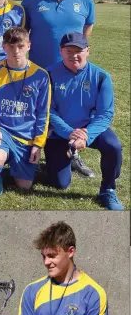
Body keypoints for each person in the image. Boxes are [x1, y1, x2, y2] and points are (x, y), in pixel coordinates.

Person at [23, 0, 96, 178]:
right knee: (36, 115)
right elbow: (24, 36)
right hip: (40, 72)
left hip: (70, 72)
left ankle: (72, 153)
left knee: (68, 114)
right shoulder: (31, 1)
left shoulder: (85, 0)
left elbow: (86, 31)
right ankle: (29, 155)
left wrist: (74, 58)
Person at [45, 32, 124, 210]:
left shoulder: (101, 77)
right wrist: (68, 132)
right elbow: (48, 110)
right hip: (59, 132)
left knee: (113, 146)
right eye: (68, 50)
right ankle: (62, 161)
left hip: (89, 129)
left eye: (79, 50)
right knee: (59, 183)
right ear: (61, 51)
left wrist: (86, 136)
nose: (74, 55)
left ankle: (108, 189)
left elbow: (105, 114)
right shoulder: (48, 74)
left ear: (88, 50)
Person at [0, 27, 51, 195]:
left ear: (28, 46)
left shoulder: (41, 75)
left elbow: (43, 113)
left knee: (24, 186)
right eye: (11, 47)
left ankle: (14, 165)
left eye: (20, 46)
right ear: (4, 47)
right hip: (3, 130)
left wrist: (38, 144)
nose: (16, 51)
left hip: (26, 135)